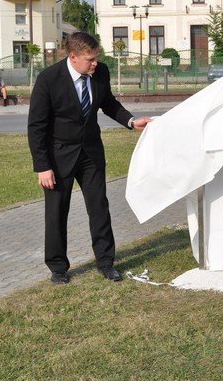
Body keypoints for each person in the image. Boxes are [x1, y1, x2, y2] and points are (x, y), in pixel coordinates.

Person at [28, 32, 151, 284]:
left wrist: (130, 120)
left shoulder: (100, 72)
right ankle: (58, 268)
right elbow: (36, 127)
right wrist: (42, 166)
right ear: (73, 57)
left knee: (99, 208)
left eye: (96, 58)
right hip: (58, 157)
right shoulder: (48, 79)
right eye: (90, 59)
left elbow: (109, 103)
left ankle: (106, 263)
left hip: (91, 153)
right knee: (56, 212)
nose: (95, 63)